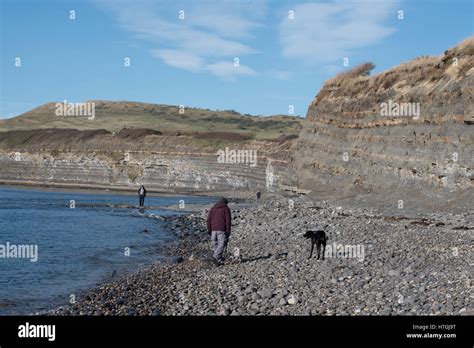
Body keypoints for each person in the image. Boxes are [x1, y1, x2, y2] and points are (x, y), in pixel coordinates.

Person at [207, 197, 232, 265]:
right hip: (221, 229)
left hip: (213, 230)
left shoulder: (213, 208)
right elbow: (228, 221)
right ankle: (215, 257)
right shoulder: (226, 209)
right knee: (222, 244)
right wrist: (228, 231)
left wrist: (209, 229)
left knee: (215, 244)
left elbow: (208, 219)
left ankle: (218, 260)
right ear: (225, 203)